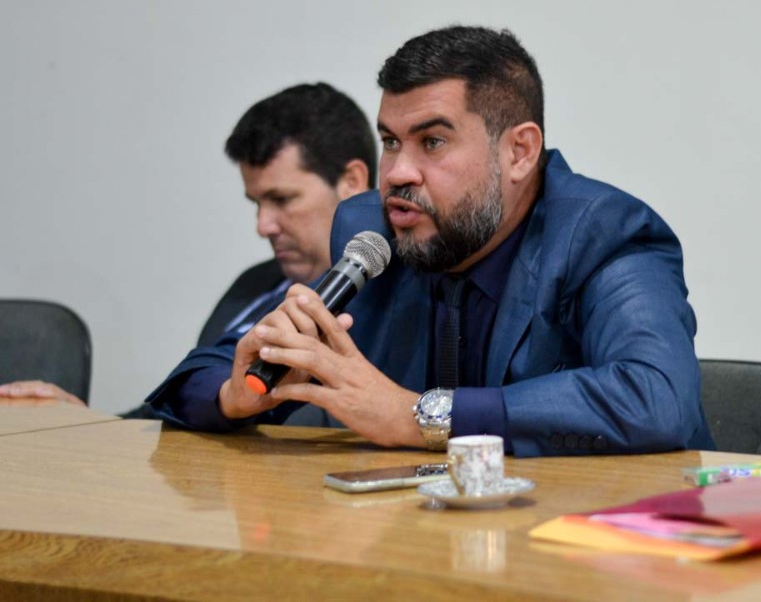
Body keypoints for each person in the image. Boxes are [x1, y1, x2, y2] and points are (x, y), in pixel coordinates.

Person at [148, 26, 714, 456]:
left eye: (433, 142)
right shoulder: (373, 233)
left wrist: (419, 416)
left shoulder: (601, 231)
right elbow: (197, 376)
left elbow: (656, 397)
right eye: (391, 142)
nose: (398, 172)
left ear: (519, 152)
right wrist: (236, 395)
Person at [1, 83, 376, 417]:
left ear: (352, 182)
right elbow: (182, 403)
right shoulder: (254, 284)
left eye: (282, 199)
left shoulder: (387, 302)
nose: (263, 226)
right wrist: (93, 424)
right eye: (256, 203)